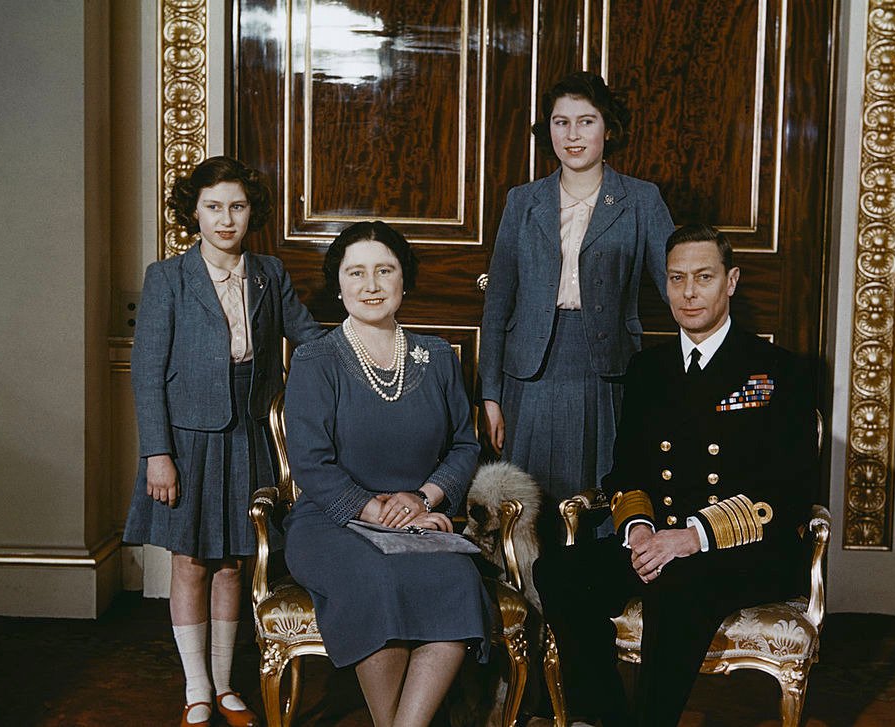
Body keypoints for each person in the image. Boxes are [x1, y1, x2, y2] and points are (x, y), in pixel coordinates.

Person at [533, 224, 819, 726]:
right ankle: (604, 718)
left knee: (679, 581)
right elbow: (627, 469)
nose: (689, 293)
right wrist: (640, 529)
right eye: (677, 279)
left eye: (704, 277)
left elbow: (790, 490)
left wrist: (693, 536)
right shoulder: (649, 369)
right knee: (558, 570)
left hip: (747, 549)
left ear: (731, 281)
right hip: (659, 538)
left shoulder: (778, 371)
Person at [123, 156, 322, 727]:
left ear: (250, 212)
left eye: (237, 207)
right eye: (214, 208)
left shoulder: (268, 273)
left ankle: (226, 683)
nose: (226, 219)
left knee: (235, 560)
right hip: (187, 439)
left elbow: (306, 339)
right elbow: (146, 372)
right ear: (195, 214)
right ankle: (196, 689)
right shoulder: (167, 277)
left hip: (249, 432)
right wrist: (156, 453)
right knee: (190, 561)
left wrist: (369, 336)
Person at [283, 221, 491, 727]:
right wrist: (376, 510)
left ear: (405, 281)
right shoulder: (317, 359)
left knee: (458, 579)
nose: (371, 284)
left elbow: (465, 445)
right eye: (356, 272)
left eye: (384, 270)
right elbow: (310, 462)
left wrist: (424, 499)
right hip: (331, 523)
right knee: (376, 580)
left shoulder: (437, 356)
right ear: (339, 284)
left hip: (416, 515)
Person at [479, 71, 674, 538]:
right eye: (560, 122)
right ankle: (527, 603)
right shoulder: (522, 202)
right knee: (523, 513)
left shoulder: (641, 200)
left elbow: (678, 285)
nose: (572, 135)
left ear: (608, 130)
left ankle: (586, 604)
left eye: (586, 121)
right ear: (548, 131)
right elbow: (498, 300)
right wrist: (489, 393)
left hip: (606, 371)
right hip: (528, 374)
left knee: (600, 502)